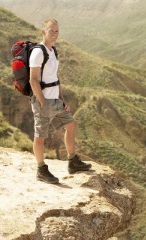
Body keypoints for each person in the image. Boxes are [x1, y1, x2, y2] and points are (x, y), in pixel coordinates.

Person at [29, 19, 91, 184]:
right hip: (43, 101)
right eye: (51, 31)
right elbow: (33, 80)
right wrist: (42, 101)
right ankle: (41, 169)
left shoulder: (52, 51)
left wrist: (62, 99)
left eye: (57, 31)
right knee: (40, 136)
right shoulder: (38, 52)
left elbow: (55, 78)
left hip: (56, 100)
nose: (55, 34)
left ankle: (72, 162)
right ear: (43, 32)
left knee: (71, 125)